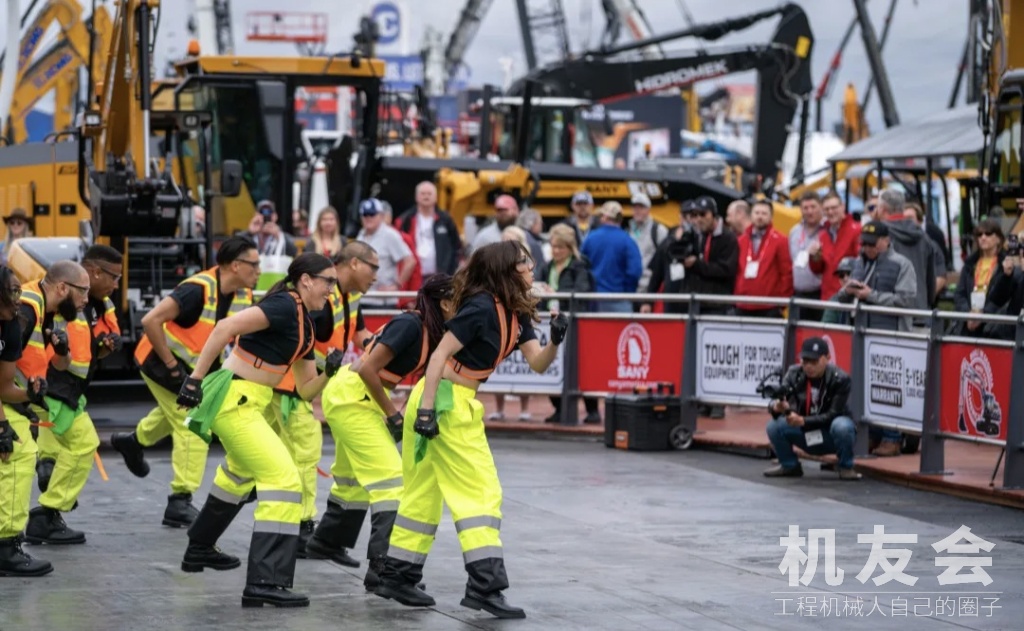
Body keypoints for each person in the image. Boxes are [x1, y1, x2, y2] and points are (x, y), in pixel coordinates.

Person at [373, 240, 569, 619]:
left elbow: (538, 364)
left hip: (449, 400)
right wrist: (427, 410)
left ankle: (397, 575)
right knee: (481, 494)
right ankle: (485, 587)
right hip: (445, 400)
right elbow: (439, 355)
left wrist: (555, 341)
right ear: (506, 270)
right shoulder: (481, 307)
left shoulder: (516, 313)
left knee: (422, 494)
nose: (531, 267)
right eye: (525, 262)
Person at [176, 253, 344, 608]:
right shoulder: (284, 305)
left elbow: (305, 390)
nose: (332, 289)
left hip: (251, 401)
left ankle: (200, 547)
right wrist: (193, 380)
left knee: (237, 475)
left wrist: (329, 371)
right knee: (283, 480)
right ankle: (265, 581)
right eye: (328, 281)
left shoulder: (305, 326)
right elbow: (224, 328)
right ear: (305, 280)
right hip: (234, 399)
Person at [307, 274, 455, 591]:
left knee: (351, 481)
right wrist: (392, 414)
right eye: (461, 301)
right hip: (353, 396)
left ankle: (326, 542)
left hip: (355, 396)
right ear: (444, 303)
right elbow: (365, 369)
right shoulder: (411, 326)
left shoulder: (431, 330)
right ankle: (382, 568)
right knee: (392, 485)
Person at [110, 237, 259, 527]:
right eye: (254, 264)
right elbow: (151, 321)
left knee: (174, 414)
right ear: (235, 265)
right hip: (160, 362)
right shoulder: (196, 290)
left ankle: (134, 441)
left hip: (193, 369)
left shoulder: (243, 294)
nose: (259, 270)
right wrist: (171, 367)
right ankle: (180, 500)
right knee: (192, 422)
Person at [268, 241, 376, 558]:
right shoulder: (317, 298)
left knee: (256, 458)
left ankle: (227, 505)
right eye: (374, 267)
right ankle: (301, 528)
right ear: (354, 264)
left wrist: (380, 349)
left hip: (303, 380)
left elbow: (357, 332)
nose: (376, 275)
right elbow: (302, 344)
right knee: (305, 449)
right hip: (290, 383)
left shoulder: (348, 296)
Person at [34, 246, 123, 498]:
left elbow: (92, 349)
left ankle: (49, 471)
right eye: (114, 277)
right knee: (84, 444)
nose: (117, 284)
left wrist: (107, 346)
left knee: (58, 432)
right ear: (95, 272)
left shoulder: (102, 305)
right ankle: (52, 507)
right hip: (56, 383)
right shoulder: (64, 295)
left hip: (70, 387)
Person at [16, 261, 93, 544]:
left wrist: (62, 351)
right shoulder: (28, 307)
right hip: (21, 395)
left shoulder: (54, 312)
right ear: (62, 287)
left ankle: (45, 512)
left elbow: (58, 364)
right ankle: (44, 516)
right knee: (82, 443)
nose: (87, 298)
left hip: (31, 394)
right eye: (83, 291)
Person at [0, 266, 52, 576]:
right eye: (13, 291)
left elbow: (4, 386)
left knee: (20, 452)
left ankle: (6, 546)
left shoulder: (11, 327)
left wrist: (30, 395)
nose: (20, 298)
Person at [763, 337, 861, 481]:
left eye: (814, 362)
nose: (809, 366)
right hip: (804, 431)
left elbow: (833, 414)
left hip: (828, 432)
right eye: (805, 361)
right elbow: (777, 401)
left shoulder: (840, 378)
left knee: (843, 426)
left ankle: (846, 467)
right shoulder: (794, 373)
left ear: (827, 358)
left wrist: (803, 421)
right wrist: (776, 407)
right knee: (774, 426)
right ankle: (789, 465)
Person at [539, 224, 600, 424]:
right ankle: (559, 408)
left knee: (581, 366)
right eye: (554, 247)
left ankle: (592, 410)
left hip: (575, 324)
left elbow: (582, 291)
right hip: (550, 322)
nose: (556, 251)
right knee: (553, 365)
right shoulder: (547, 267)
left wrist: (556, 295)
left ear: (569, 247)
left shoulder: (579, 266)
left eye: (561, 247)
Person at [580, 202, 642, 313]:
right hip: (619, 301)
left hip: (593, 300)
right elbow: (635, 271)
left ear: (605, 217)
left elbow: (580, 265)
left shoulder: (590, 238)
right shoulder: (628, 241)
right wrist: (627, 292)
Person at [394, 181, 462, 278]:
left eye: (429, 194)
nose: (426, 196)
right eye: (422, 194)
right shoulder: (406, 219)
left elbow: (456, 246)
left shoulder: (446, 220)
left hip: (440, 277)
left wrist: (450, 271)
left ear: (436, 197)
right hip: (413, 277)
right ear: (416, 197)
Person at [954, 219, 1008, 338]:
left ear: (998, 238)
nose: (983, 237)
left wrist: (983, 316)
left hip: (994, 328)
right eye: (979, 234)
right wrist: (968, 314)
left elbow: (1004, 299)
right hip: (969, 325)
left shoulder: (1006, 264)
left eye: (988, 234)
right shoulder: (969, 264)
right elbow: (959, 294)